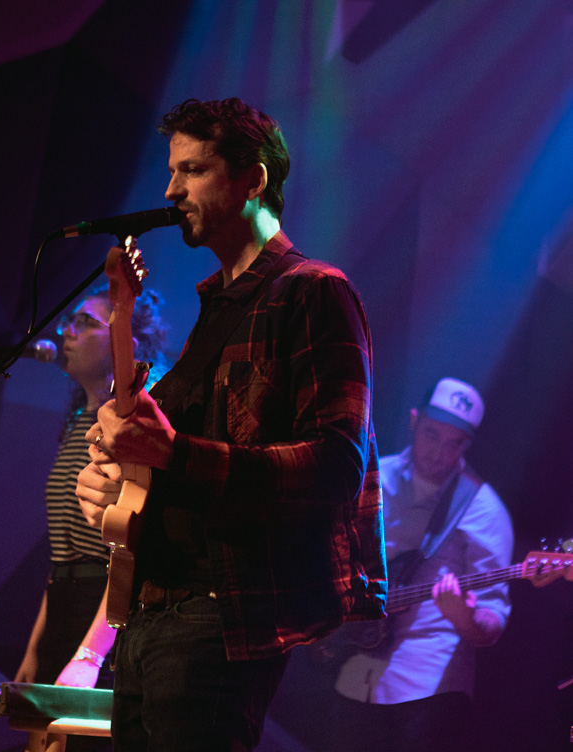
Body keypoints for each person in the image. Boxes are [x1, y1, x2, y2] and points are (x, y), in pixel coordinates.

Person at [75, 97, 388, 752]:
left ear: (252, 180)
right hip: (146, 616)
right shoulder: (214, 307)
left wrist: (174, 454)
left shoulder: (311, 291)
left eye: (192, 170)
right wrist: (115, 481)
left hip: (221, 612)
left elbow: (336, 464)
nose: (169, 190)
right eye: (170, 171)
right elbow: (171, 457)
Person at [327, 377, 514, 752]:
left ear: (468, 445)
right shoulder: (374, 477)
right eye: (432, 434)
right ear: (414, 420)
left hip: (427, 690)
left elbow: (492, 620)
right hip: (349, 668)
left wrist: (465, 616)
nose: (438, 452)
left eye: (454, 443)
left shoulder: (484, 511)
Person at [14, 284, 169, 737]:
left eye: (85, 323)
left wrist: (89, 655)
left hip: (105, 615)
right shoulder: (79, 421)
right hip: (63, 606)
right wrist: (35, 647)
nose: (67, 332)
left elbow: (127, 552)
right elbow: (62, 556)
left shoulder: (130, 427)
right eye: (70, 322)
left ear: (126, 344)